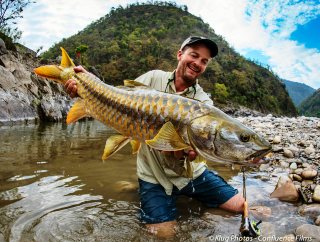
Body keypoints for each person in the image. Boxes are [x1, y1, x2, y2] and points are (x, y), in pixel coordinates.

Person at [65, 36, 245, 238]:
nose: (198, 63)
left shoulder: (204, 102)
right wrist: (88, 86)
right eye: (194, 55)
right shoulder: (152, 78)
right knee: (164, 236)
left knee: (243, 207)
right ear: (180, 54)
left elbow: (199, 153)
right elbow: (117, 97)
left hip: (191, 176)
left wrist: (186, 153)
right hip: (153, 177)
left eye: (204, 61)